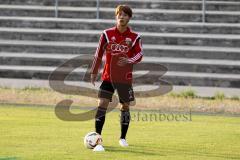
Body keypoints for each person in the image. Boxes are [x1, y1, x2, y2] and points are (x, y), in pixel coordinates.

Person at [90, 4, 143, 151]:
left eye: (125, 14)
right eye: (119, 14)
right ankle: (97, 138)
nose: (122, 16)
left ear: (129, 18)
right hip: (108, 78)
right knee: (101, 105)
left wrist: (129, 60)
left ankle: (122, 138)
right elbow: (98, 54)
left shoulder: (134, 37)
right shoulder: (106, 34)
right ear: (116, 16)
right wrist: (94, 72)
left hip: (125, 79)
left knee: (125, 106)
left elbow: (140, 55)